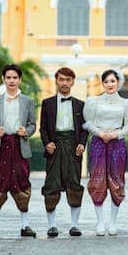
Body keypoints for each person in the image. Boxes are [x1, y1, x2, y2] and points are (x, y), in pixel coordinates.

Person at [83, 69, 128, 236]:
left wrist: (115, 134)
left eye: (112, 81)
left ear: (118, 82)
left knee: (117, 181)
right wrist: (101, 134)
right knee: (97, 180)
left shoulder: (126, 103)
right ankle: (100, 222)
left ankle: (113, 222)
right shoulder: (94, 101)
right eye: (106, 82)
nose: (109, 84)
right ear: (103, 83)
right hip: (99, 143)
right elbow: (89, 123)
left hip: (117, 144)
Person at [0, 64, 37, 238]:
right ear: (3, 79)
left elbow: (32, 124)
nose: (12, 80)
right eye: (8, 77)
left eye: (15, 77)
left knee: (22, 182)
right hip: (2, 145)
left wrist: (27, 132)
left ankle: (25, 226)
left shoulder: (28, 101)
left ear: (20, 80)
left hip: (19, 145)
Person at [40, 67, 88, 237]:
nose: (65, 83)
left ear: (73, 82)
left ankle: (74, 225)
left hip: (73, 149)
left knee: (74, 184)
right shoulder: (47, 103)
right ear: (56, 81)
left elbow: (84, 128)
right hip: (55, 148)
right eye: (61, 79)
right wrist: (47, 143)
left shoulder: (81, 104)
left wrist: (82, 144)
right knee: (51, 185)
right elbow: (43, 128)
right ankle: (52, 225)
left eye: (68, 80)